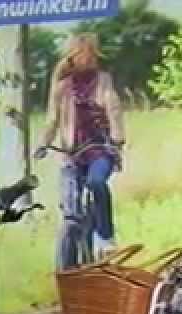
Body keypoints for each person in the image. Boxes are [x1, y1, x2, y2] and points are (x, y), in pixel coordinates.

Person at [36, 32, 126, 267]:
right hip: (72, 154)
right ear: (73, 57)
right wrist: (43, 143)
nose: (89, 59)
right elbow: (52, 120)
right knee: (71, 216)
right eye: (84, 55)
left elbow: (113, 108)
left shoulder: (103, 80)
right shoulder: (61, 87)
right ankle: (65, 270)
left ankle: (105, 236)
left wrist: (117, 138)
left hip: (100, 150)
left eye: (92, 55)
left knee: (96, 182)